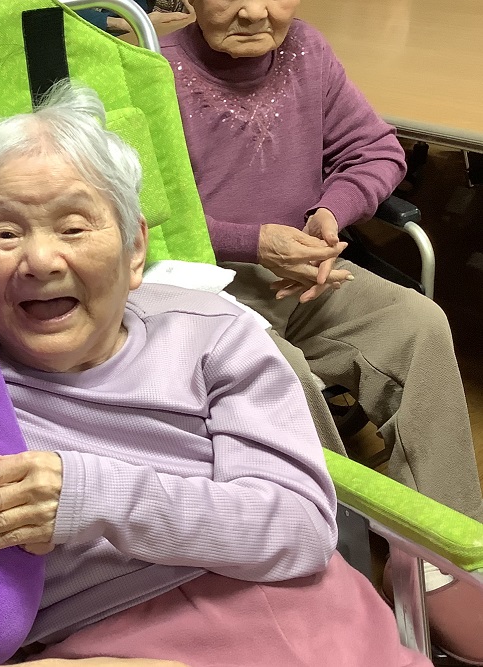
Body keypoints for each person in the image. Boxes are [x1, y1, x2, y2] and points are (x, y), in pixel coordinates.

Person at [0, 82, 429, 666]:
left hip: (312, 622)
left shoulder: (211, 335)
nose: (40, 259)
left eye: (74, 227)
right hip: (109, 648)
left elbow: (300, 527)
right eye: (4, 231)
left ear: (135, 250)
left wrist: (88, 499)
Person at [161, 2, 483, 661]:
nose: (253, 8)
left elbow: (376, 150)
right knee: (281, 375)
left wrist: (329, 215)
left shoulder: (306, 51)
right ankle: (332, 571)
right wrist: (253, 242)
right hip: (199, 285)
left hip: (304, 269)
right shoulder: (154, 70)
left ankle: (443, 559)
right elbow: (137, 213)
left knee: (418, 324)